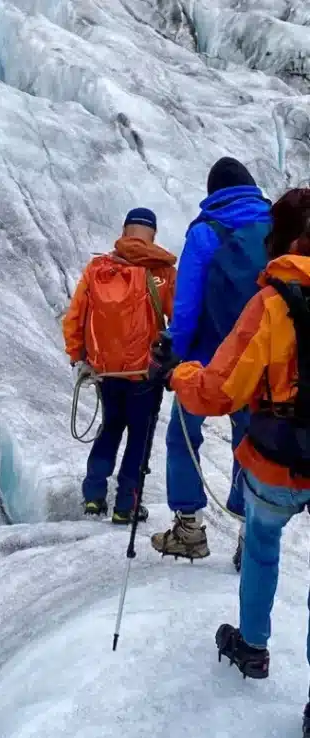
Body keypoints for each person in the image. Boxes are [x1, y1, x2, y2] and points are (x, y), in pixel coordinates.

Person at [148, 188, 310, 738]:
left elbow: (220, 390)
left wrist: (177, 375)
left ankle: (254, 644)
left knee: (264, 543)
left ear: (282, 240)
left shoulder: (271, 304)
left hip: (275, 456)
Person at [151, 157, 272, 564]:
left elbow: (185, 308)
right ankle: (246, 531)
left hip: (204, 360)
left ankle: (189, 528)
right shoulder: (275, 227)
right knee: (249, 443)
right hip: (255, 360)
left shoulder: (206, 231)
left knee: (181, 436)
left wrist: (173, 354)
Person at [63, 208, 177, 524]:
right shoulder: (163, 273)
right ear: (152, 234)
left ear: (125, 230)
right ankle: (127, 505)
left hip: (105, 371)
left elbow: (75, 316)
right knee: (139, 437)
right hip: (145, 373)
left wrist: (78, 356)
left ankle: (94, 498)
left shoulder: (97, 268)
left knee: (111, 428)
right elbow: (179, 319)